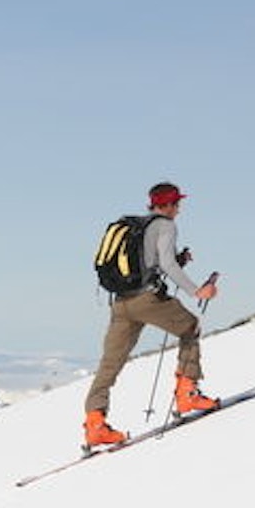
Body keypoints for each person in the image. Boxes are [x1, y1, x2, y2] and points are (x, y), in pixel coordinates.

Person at [83, 182, 220, 447]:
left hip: (121, 303)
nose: (179, 209)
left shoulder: (139, 226)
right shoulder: (166, 226)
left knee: (110, 364)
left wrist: (179, 261)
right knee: (190, 327)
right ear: (167, 205)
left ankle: (95, 424)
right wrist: (197, 291)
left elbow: (153, 262)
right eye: (176, 204)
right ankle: (187, 394)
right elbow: (166, 264)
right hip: (147, 300)